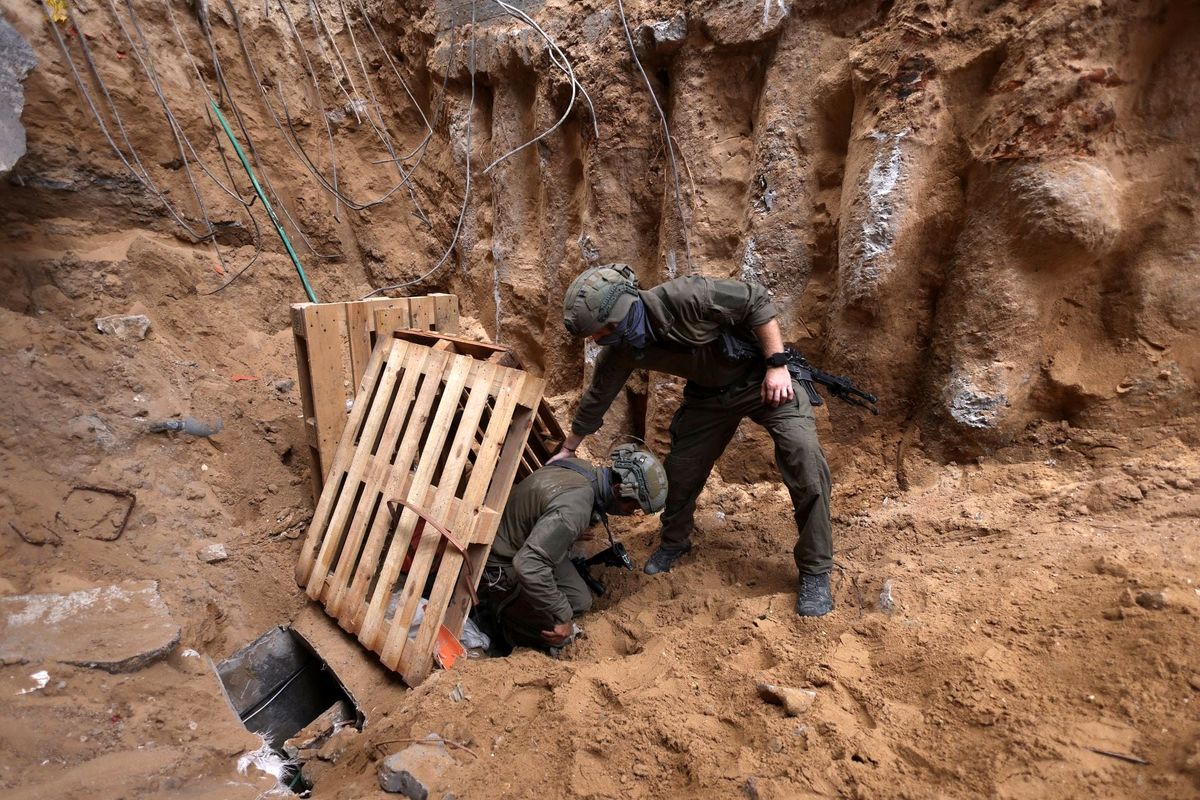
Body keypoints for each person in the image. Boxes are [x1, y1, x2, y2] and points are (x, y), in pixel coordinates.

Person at [555, 264, 835, 616]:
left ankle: (815, 569)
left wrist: (777, 364)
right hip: (709, 397)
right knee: (681, 473)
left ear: (620, 313)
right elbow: (598, 396)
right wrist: (568, 448)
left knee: (806, 461)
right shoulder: (623, 347)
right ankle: (675, 542)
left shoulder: (688, 296)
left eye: (600, 332)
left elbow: (757, 301)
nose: (598, 340)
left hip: (764, 382)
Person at [479, 444, 667, 651]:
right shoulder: (574, 511)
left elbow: (549, 508)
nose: (630, 513)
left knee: (580, 600)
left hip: (524, 540)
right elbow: (528, 565)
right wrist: (562, 617)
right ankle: (498, 624)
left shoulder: (582, 469)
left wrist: (569, 533)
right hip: (500, 562)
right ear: (617, 490)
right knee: (559, 635)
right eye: (632, 506)